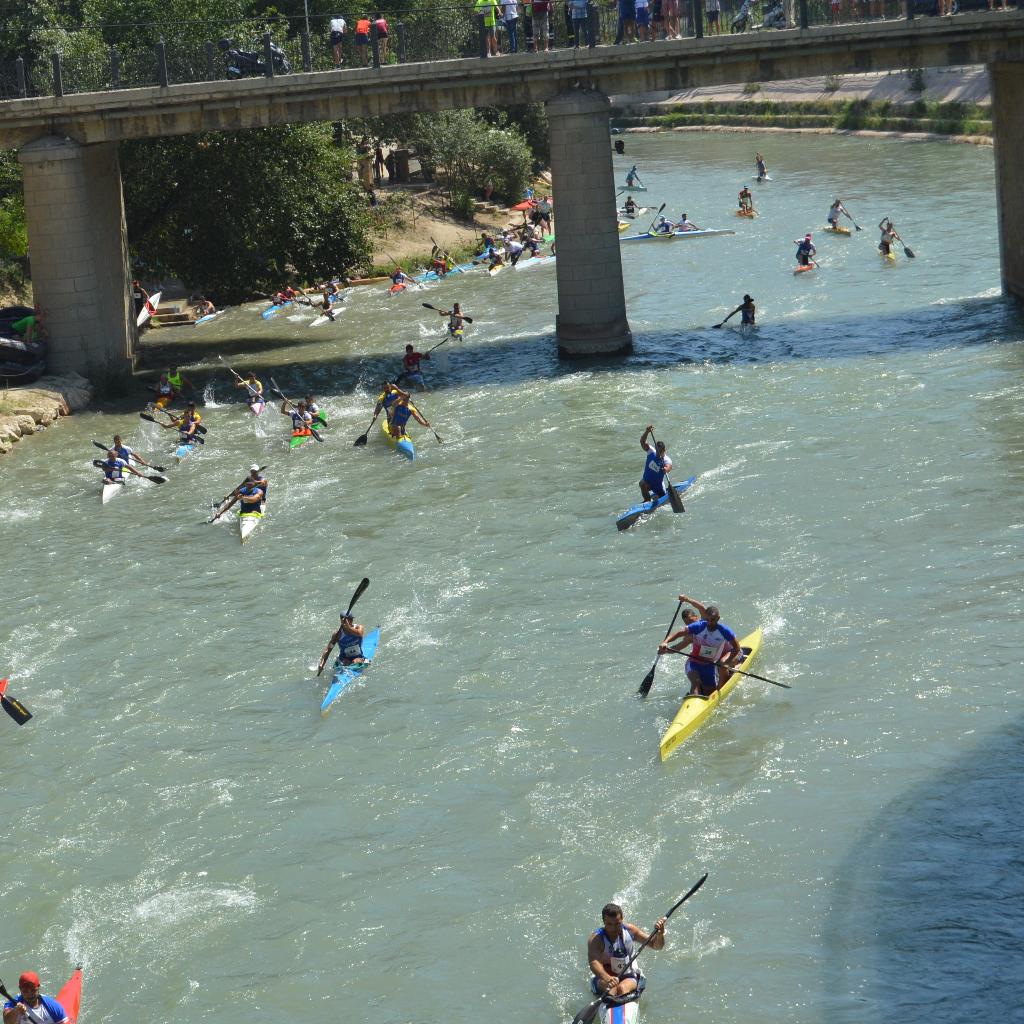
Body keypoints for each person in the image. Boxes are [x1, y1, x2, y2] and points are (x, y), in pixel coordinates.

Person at [587, 904, 665, 1001]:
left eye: (617, 924)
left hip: (628, 975)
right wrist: (607, 978)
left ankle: (621, 1004)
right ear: (604, 922)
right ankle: (612, 1001)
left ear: (622, 919)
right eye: (609, 924)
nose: (613, 928)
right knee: (612, 990)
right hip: (605, 978)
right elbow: (594, 963)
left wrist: (660, 935)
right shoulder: (596, 939)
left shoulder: (630, 930)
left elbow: (656, 945)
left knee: (622, 989)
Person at [660, 605, 742, 696]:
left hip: (710, 664)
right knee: (695, 683)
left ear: (718, 618)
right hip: (693, 663)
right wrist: (665, 642)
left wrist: (725, 662)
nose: (710, 623)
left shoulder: (724, 631)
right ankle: (693, 701)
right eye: (707, 620)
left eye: (713, 620)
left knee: (711, 689)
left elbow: (737, 648)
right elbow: (680, 633)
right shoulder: (698, 627)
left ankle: (722, 685)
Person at [2, 970, 72, 1024]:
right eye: (25, 991)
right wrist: (16, 1010)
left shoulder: (53, 1006)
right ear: (20, 989)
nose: (30, 994)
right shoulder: (12, 1004)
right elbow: (7, 1022)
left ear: (38, 987)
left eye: (33, 990)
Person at [318, 610, 368, 674]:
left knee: (356, 661)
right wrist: (322, 664)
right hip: (344, 659)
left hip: (358, 657)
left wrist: (348, 626)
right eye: (350, 619)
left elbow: (359, 634)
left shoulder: (359, 627)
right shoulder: (337, 635)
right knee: (346, 662)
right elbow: (328, 650)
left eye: (351, 619)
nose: (351, 621)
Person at [638, 424, 672, 503]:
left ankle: (662, 496)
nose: (658, 453)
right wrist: (647, 432)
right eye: (657, 450)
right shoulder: (651, 452)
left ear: (664, 450)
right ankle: (647, 500)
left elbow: (669, 467)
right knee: (642, 483)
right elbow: (642, 442)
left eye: (660, 451)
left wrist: (665, 469)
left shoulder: (666, 460)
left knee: (663, 497)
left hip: (658, 486)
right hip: (647, 483)